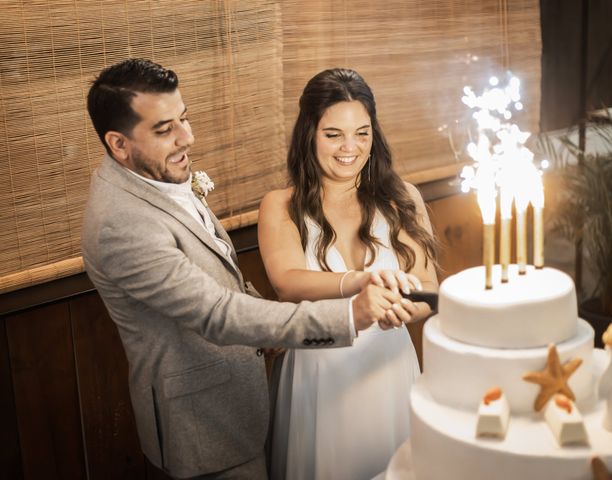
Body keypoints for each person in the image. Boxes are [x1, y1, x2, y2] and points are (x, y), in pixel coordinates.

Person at [81, 58, 419, 480]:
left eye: (183, 119)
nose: (188, 137)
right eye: (165, 129)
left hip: (243, 400)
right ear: (118, 143)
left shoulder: (157, 181)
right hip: (205, 423)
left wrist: (264, 321)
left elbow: (221, 279)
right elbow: (215, 312)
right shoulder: (122, 223)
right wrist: (354, 311)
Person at [258, 67, 439, 480]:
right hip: (318, 374)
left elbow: (428, 288)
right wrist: (359, 282)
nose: (350, 147)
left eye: (362, 132)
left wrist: (406, 311)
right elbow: (286, 280)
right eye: (333, 134)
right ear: (309, 134)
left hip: (390, 366)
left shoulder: (402, 198)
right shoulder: (280, 205)